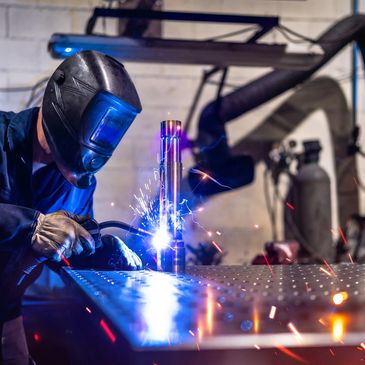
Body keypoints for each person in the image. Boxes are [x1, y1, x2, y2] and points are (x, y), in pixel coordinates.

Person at [0, 50, 143, 364]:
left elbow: (63, 253)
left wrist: (101, 252)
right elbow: (34, 232)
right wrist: (30, 225)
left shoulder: (79, 183)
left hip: (5, 312)